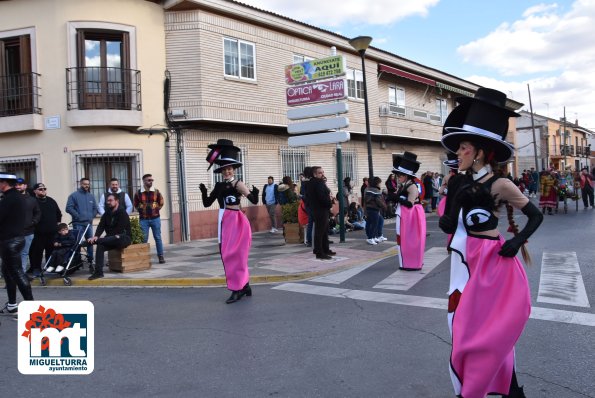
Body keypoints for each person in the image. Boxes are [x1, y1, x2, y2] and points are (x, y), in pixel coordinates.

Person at [439, 88, 543, 398]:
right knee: (463, 328)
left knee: (490, 333)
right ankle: (507, 390)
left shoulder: (501, 184)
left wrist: (517, 242)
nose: (458, 153)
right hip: (464, 262)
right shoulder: (457, 180)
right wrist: (450, 201)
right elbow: (447, 223)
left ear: (480, 152)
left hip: (493, 265)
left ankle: (490, 389)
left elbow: (536, 216)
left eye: (464, 148)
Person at [200, 139, 259, 303]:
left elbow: (253, 200)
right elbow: (207, 203)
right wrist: (204, 192)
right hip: (224, 221)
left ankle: (237, 289)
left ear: (234, 170)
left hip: (238, 221)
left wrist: (255, 192)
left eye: (230, 169)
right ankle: (244, 285)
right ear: (221, 171)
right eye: (224, 169)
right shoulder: (218, 186)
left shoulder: (239, 184)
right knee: (227, 255)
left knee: (237, 255)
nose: (227, 172)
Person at [0, 173, 34, 317]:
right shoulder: (17, 197)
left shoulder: (9, 199)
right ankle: (12, 305)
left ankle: (31, 309)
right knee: (8, 273)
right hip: (15, 239)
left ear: (4, 183)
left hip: (10, 241)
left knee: (18, 273)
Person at [390, 152, 426, 269]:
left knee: (411, 239)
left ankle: (412, 263)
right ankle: (406, 262)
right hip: (405, 215)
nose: (398, 177)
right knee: (402, 239)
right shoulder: (403, 185)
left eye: (400, 175)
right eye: (398, 175)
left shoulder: (412, 186)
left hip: (412, 215)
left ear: (406, 176)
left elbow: (410, 204)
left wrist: (396, 198)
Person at [87, 193, 132, 280]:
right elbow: (101, 225)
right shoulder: (107, 213)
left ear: (117, 201)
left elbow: (119, 230)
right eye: (107, 201)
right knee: (100, 246)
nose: (108, 202)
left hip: (123, 238)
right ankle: (98, 272)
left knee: (116, 237)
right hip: (111, 239)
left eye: (110, 200)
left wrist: (101, 239)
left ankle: (91, 242)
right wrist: (96, 236)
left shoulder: (122, 213)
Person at [28, 183, 62, 277]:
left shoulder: (51, 201)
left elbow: (58, 213)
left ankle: (49, 267)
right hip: (38, 232)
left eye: (44, 188)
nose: (43, 190)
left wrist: (58, 223)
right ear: (35, 191)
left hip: (52, 232)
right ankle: (36, 268)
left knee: (50, 251)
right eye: (40, 189)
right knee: (36, 252)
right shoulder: (32, 201)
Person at [66, 177, 98, 267]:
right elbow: (68, 208)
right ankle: (77, 262)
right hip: (78, 224)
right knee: (78, 243)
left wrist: (92, 216)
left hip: (89, 224)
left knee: (90, 243)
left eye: (88, 184)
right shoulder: (74, 196)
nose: (86, 186)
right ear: (80, 184)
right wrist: (78, 216)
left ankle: (90, 260)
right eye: (84, 184)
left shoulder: (91, 196)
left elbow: (95, 208)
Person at [134, 173, 165, 264]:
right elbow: (135, 204)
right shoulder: (138, 193)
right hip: (143, 220)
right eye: (149, 180)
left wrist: (155, 210)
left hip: (155, 219)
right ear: (144, 181)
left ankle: (161, 256)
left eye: (152, 180)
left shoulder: (156, 192)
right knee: (144, 239)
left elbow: (161, 202)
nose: (151, 181)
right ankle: (143, 258)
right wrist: (142, 210)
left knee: (158, 237)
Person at [306, 166, 334, 259]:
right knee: (320, 232)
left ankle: (325, 249)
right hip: (321, 210)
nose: (322, 174)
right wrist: (329, 204)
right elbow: (322, 197)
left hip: (315, 209)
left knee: (324, 230)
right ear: (314, 174)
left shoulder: (311, 183)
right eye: (320, 173)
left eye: (323, 172)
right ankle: (319, 252)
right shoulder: (318, 183)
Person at [15, 178, 40, 273]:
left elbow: (37, 212)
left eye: (20, 184)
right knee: (13, 254)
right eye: (16, 184)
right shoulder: (10, 198)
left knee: (24, 254)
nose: (17, 186)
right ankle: (13, 276)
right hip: (13, 232)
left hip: (28, 232)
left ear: (25, 186)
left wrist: (33, 222)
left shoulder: (32, 200)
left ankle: (21, 274)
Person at [364, 176, 387, 245]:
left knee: (370, 223)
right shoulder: (376, 191)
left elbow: (365, 199)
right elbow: (379, 201)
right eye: (379, 183)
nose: (380, 184)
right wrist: (385, 207)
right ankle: (370, 238)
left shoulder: (368, 190)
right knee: (374, 224)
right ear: (376, 183)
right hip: (374, 209)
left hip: (368, 208)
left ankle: (372, 237)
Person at [300, 167, 314, 247]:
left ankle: (309, 240)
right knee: (312, 222)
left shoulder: (303, 182)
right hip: (311, 204)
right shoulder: (308, 182)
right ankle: (310, 240)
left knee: (310, 222)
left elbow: (302, 194)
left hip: (307, 204)